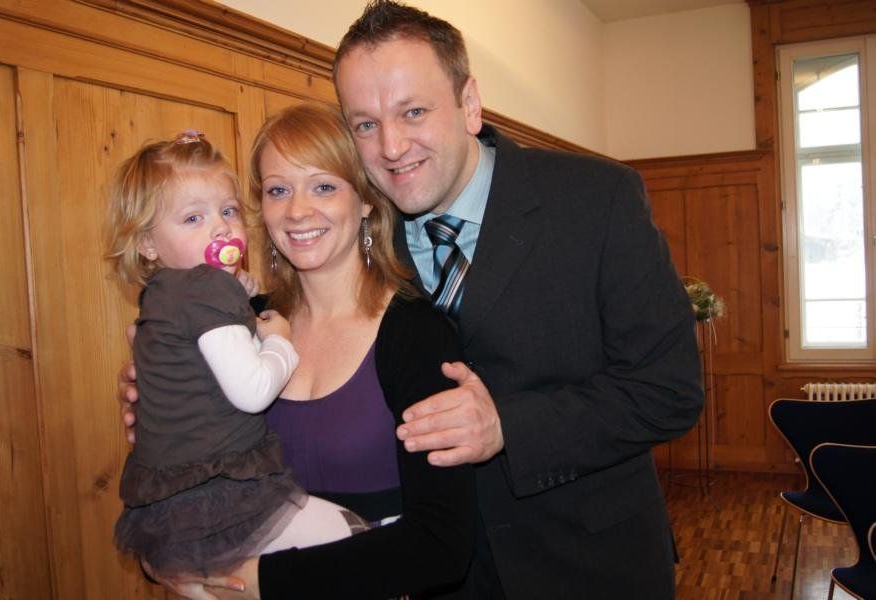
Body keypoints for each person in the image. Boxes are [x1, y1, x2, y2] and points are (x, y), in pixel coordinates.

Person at [327, 1, 705, 598]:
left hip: (591, 568)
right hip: (438, 576)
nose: (391, 146)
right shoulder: (357, 234)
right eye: (365, 125)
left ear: (469, 103)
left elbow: (669, 389)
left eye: (414, 111)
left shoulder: (597, 200)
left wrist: (509, 426)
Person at [119, 104, 476, 599]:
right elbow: (179, 486)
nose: (297, 211)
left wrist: (263, 582)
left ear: (366, 200)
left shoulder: (417, 335)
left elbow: (441, 544)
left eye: (324, 186)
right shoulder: (235, 324)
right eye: (278, 190)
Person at [105, 131, 367, 582]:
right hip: (222, 493)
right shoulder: (206, 291)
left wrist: (237, 296)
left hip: (170, 500)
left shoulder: (163, 295)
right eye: (193, 218)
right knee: (354, 535)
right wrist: (280, 341)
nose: (221, 229)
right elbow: (251, 391)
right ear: (147, 243)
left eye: (228, 211)